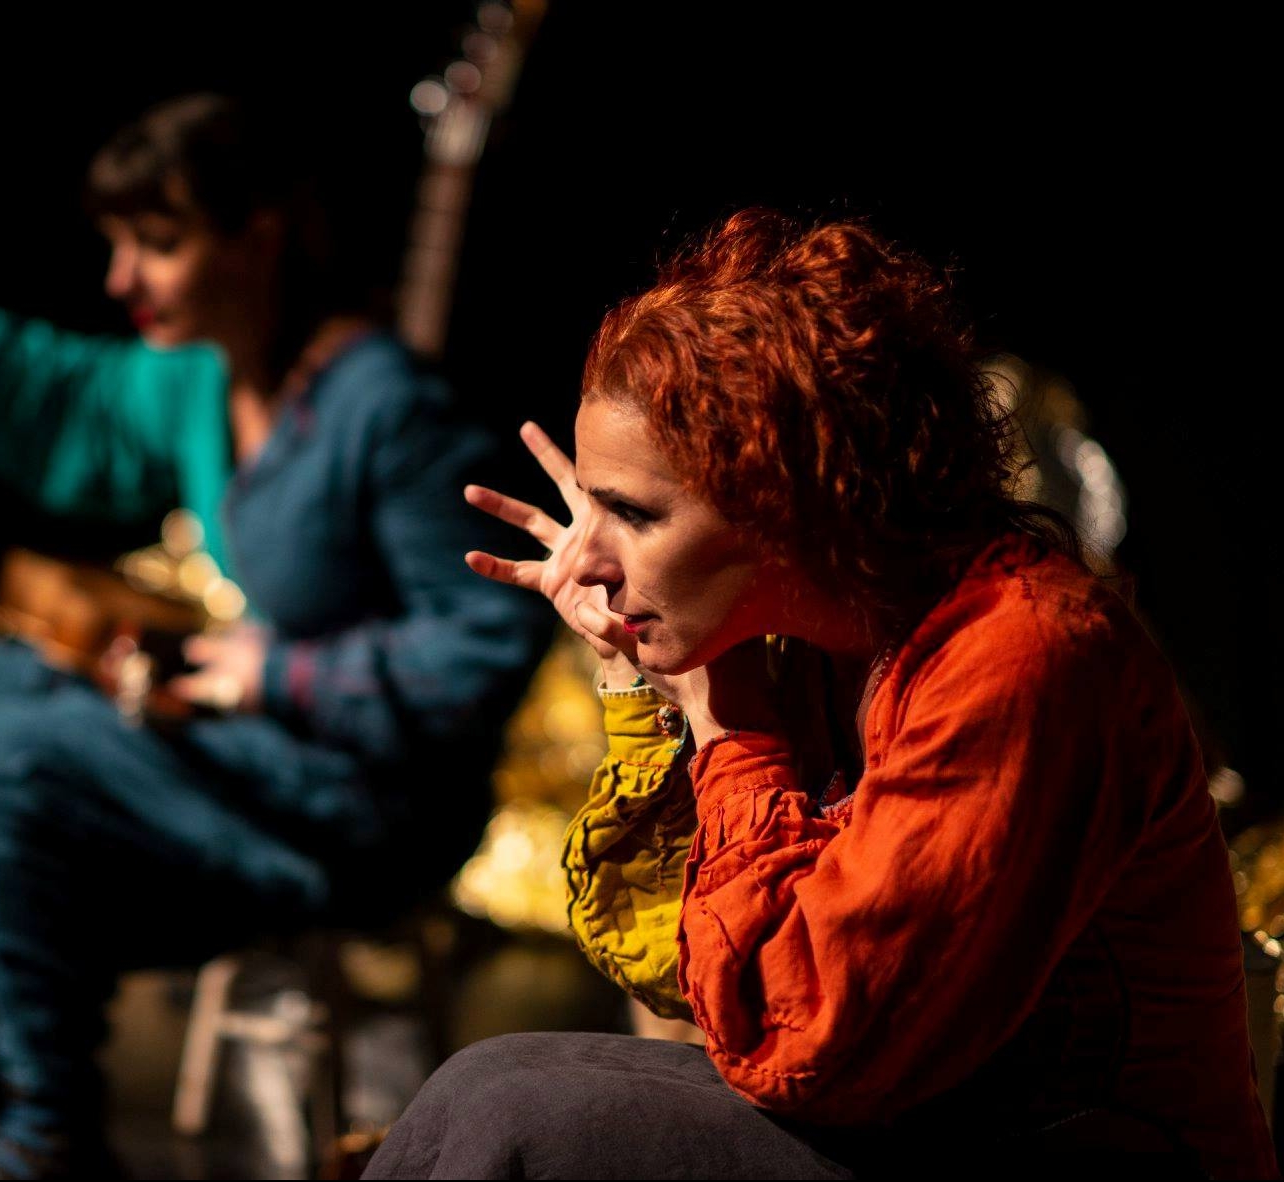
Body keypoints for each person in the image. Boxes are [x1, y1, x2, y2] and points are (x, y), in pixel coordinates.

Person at [363, 209, 1276, 1178]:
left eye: (631, 512)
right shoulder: (796, 644)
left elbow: (799, 1043)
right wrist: (643, 680)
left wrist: (729, 729)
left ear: (786, 498)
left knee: (513, 1116)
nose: (585, 559)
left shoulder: (1021, 653)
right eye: (588, 505)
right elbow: (678, 972)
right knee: (484, 1080)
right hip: (917, 1126)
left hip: (1066, 1149)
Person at [0, 93, 551, 1178]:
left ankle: (52, 1127)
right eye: (118, 244)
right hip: (253, 756)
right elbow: (65, 401)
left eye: (156, 243)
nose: (120, 279)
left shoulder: (387, 407)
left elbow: (484, 643)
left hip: (359, 803)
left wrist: (277, 674)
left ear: (257, 239)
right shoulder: (205, 377)